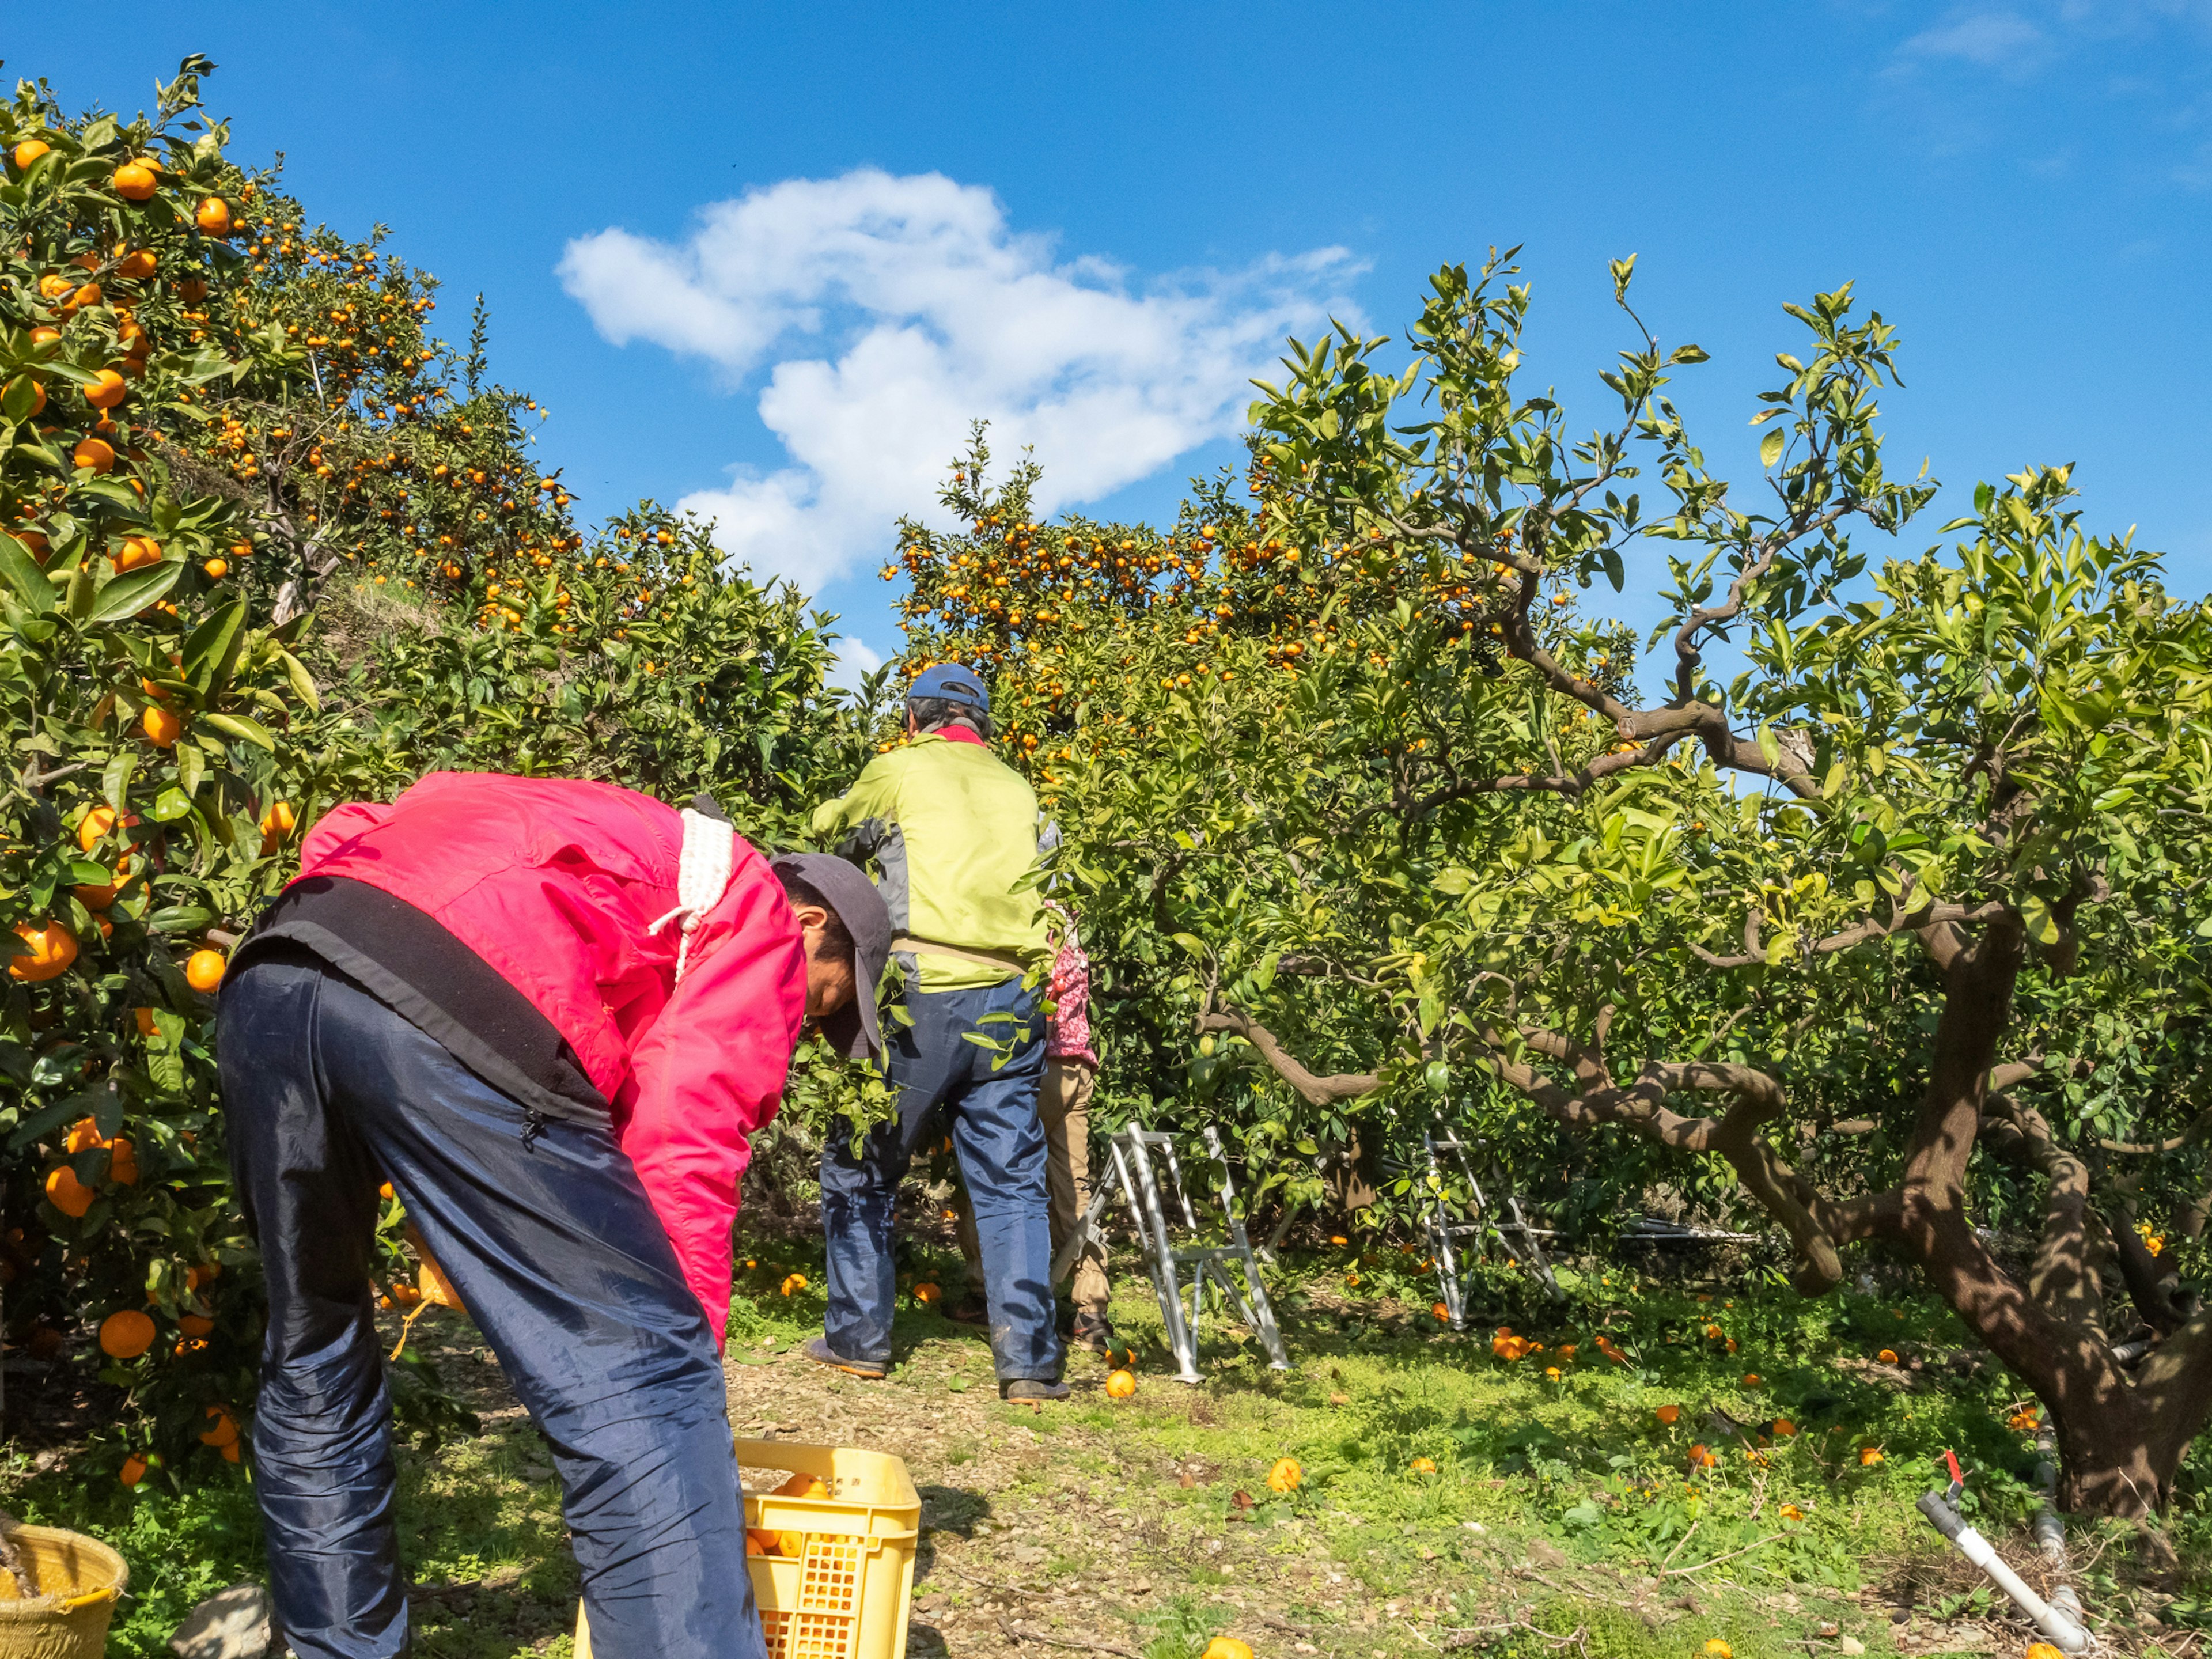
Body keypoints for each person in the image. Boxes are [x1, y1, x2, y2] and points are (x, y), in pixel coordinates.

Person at [216, 772, 889, 1659]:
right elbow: (686, 1134)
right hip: (454, 983)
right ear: (811, 927)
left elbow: (351, 830)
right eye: (827, 999)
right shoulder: (756, 905)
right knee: (646, 1376)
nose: (802, 1026)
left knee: (315, 1346)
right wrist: (683, 1348)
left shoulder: (592, 831)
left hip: (280, 968)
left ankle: (337, 1647)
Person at [806, 662, 1063, 1398]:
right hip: (1014, 997)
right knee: (1013, 1186)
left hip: (924, 991)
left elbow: (831, 834)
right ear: (982, 727)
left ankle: (858, 1339)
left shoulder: (898, 769)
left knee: (864, 1162)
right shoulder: (1019, 787)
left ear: (914, 720)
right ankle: (1030, 1367)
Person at [952, 900, 1115, 1353]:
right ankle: (1091, 1310)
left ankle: (987, 1292)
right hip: (1078, 1069)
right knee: (1073, 1188)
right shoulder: (1070, 925)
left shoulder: (1027, 917)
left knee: (989, 1170)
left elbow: (1035, 1000)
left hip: (1035, 1069)